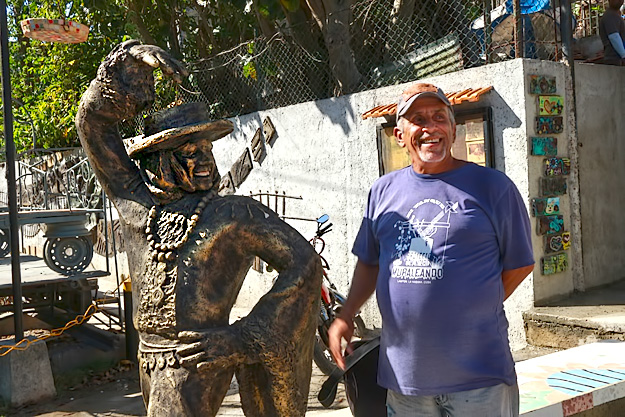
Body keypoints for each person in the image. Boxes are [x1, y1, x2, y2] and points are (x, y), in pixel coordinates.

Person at [76, 40, 322, 417]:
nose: (206, 161)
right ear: (160, 162)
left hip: (195, 360)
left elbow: (304, 264)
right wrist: (129, 65)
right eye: (190, 154)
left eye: (207, 150)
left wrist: (245, 337)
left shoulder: (232, 214)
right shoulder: (138, 207)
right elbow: (92, 127)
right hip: (148, 359)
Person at [328, 83, 534, 417]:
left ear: (453, 129)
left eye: (439, 117)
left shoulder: (493, 188)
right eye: (418, 119)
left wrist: (476, 302)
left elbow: (520, 264)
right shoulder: (382, 192)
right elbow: (370, 261)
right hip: (404, 381)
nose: (431, 128)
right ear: (399, 134)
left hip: (479, 378)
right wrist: (346, 315)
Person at [599, 0, 625, 66]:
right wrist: (623, 55)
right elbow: (614, 37)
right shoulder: (610, 15)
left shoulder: (615, 15)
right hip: (615, 58)